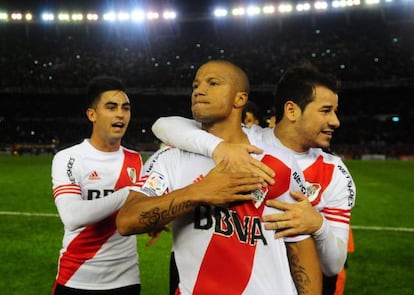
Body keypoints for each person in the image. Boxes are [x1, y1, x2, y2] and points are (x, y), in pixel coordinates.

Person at [116, 60, 322, 294]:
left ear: (240, 99)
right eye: (195, 85)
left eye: (213, 83)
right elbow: (127, 220)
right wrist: (199, 192)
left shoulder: (280, 162)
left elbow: (299, 245)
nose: (199, 90)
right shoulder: (169, 159)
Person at [151, 62, 357, 285]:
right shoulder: (250, 140)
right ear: (291, 111)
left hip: (303, 279)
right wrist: (217, 147)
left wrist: (318, 225)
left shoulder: (335, 172)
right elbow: (164, 125)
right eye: (326, 111)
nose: (335, 122)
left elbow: (334, 265)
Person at [51, 76, 144, 294]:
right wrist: (130, 193)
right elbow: (73, 217)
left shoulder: (136, 160)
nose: (120, 114)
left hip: (126, 278)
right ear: (92, 114)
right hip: (77, 277)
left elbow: (137, 209)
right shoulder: (69, 158)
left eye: (125, 108)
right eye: (111, 107)